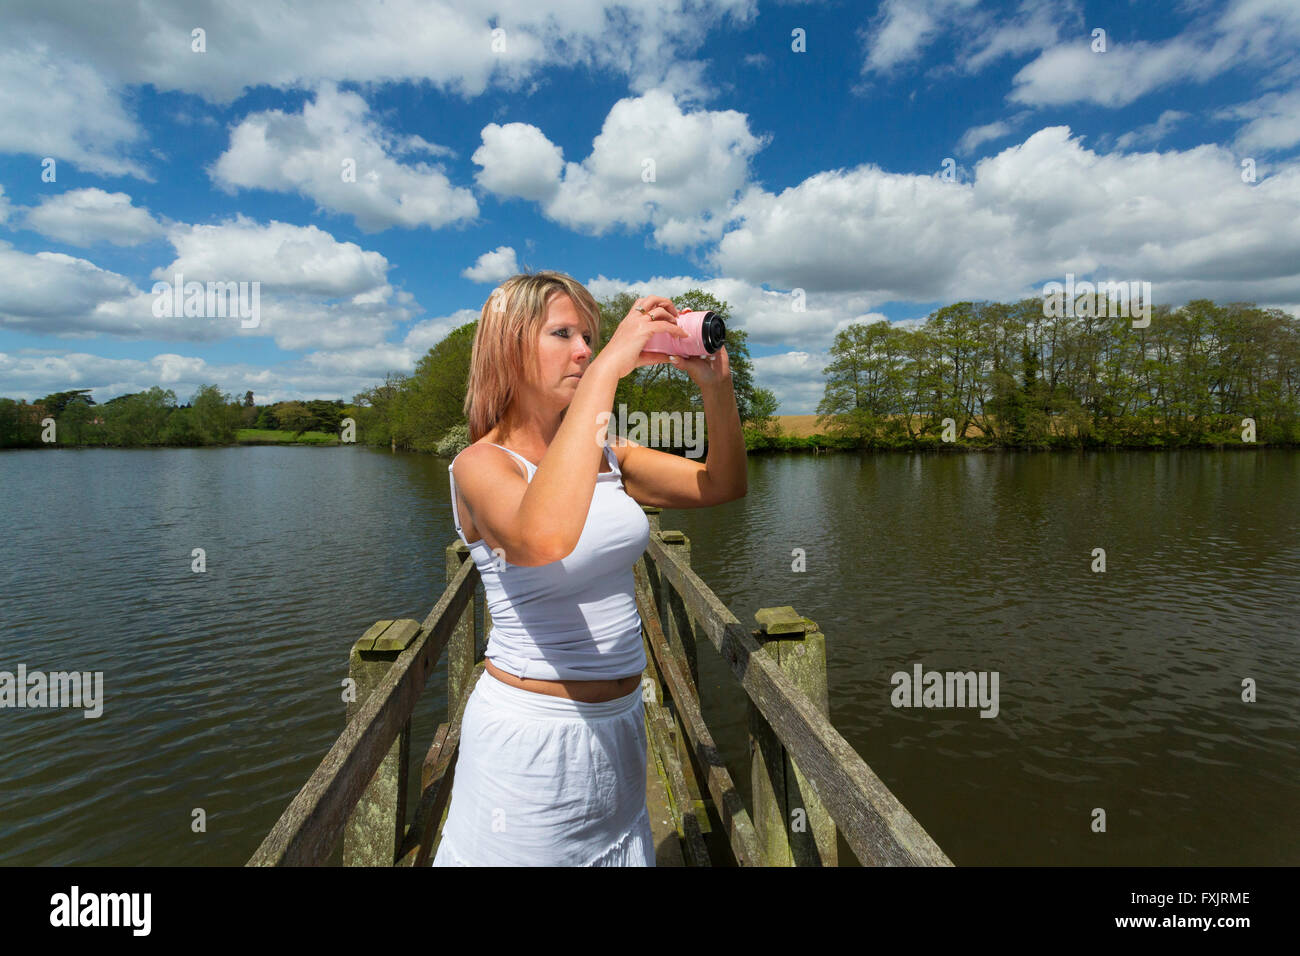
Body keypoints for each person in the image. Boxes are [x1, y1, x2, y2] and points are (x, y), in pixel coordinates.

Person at [432, 270, 747, 866]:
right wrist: (607, 370)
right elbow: (541, 537)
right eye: (563, 333)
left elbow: (723, 484)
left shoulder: (608, 456)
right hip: (531, 750)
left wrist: (716, 387)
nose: (584, 350)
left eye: (590, 336)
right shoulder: (478, 466)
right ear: (508, 347)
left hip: (621, 731)